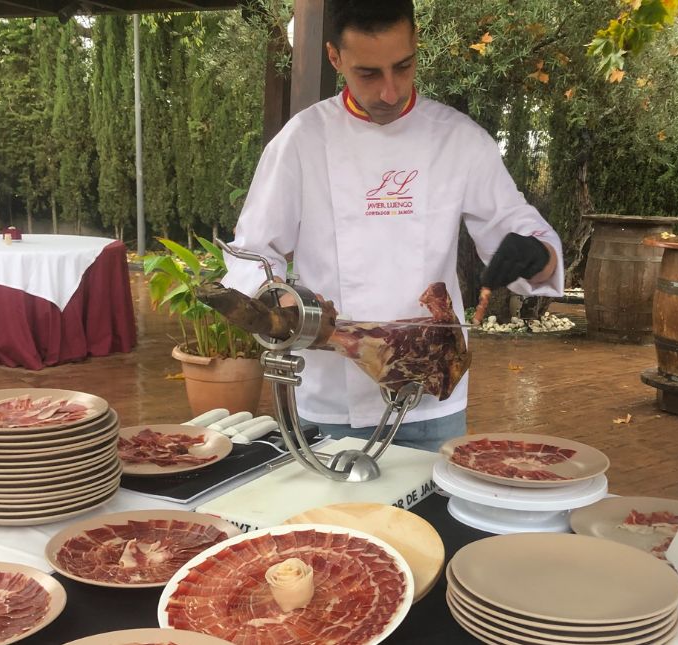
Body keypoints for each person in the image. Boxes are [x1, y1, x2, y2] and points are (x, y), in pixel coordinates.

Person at [223, 0, 563, 452]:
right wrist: (283, 301)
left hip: (432, 397)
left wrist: (539, 257)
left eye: (403, 67)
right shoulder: (302, 141)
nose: (390, 91)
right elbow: (252, 250)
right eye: (368, 73)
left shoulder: (458, 139)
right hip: (331, 397)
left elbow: (518, 231)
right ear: (334, 58)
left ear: (416, 44)